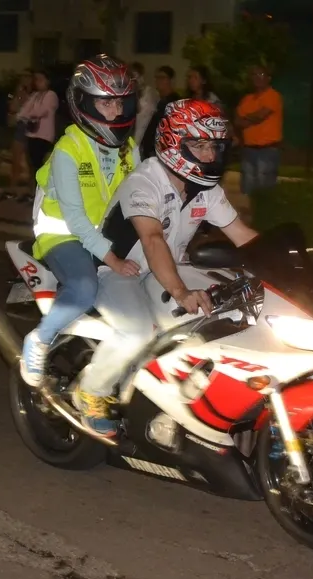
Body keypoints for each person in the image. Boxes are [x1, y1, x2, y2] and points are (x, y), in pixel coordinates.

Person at [76, 99, 259, 437]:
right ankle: (91, 392)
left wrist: (292, 267)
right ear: (174, 144)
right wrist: (180, 292)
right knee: (138, 332)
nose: (209, 155)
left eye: (215, 147)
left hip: (167, 269)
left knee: (218, 317)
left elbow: (243, 235)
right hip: (117, 271)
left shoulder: (206, 190)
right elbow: (152, 239)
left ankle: (169, 399)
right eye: (199, 145)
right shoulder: (145, 181)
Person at [21, 55, 142, 389]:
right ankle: (39, 339)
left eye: (120, 102)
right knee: (85, 288)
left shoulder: (129, 149)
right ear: (85, 103)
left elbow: (142, 200)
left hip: (105, 235)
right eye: (106, 103)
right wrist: (113, 259)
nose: (116, 112)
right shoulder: (68, 149)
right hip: (63, 236)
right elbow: (75, 219)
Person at [234, 65, 283, 195]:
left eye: (261, 74)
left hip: (267, 150)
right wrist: (253, 118)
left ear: (268, 78)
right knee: (247, 189)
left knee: (264, 190)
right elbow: (237, 121)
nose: (257, 78)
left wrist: (246, 118)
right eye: (254, 75)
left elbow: (261, 115)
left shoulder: (273, 95)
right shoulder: (247, 99)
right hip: (249, 149)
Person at [16, 69, 59, 201]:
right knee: (32, 164)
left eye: (41, 79)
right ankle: (34, 192)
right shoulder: (35, 95)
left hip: (44, 135)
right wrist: (21, 116)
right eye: (36, 80)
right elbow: (24, 109)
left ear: (47, 81)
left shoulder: (51, 95)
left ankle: (41, 193)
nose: (38, 82)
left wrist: (27, 115)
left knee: (39, 164)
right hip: (32, 134)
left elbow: (42, 111)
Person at [1, 69, 34, 201]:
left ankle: (32, 190)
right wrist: (18, 95)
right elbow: (13, 108)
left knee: (31, 162)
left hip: (32, 127)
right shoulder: (19, 92)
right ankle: (12, 189)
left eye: (27, 77)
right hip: (20, 126)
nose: (25, 80)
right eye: (23, 77)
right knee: (15, 159)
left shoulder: (36, 94)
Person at [139, 65, 180, 160]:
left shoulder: (174, 102)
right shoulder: (159, 100)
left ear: (171, 81)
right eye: (157, 78)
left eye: (162, 78)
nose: (158, 81)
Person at [131, 62, 159, 146]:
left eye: (136, 75)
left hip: (144, 137)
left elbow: (142, 112)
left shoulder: (150, 93)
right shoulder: (129, 93)